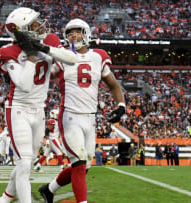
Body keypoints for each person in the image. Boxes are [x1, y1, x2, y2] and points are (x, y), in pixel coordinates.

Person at [0, 7, 77, 203]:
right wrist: (31, 56)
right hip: (18, 109)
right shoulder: (8, 51)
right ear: (22, 31)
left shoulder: (49, 40)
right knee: (23, 163)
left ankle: (4, 200)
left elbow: (71, 60)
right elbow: (24, 85)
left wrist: (43, 49)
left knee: (27, 162)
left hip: (39, 109)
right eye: (34, 24)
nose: (40, 26)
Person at [38, 18, 125, 203]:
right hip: (70, 116)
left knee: (84, 167)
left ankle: (49, 189)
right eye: (70, 33)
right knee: (78, 162)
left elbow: (113, 85)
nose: (73, 36)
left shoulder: (98, 56)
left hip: (90, 118)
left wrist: (121, 106)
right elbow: (42, 76)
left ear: (86, 33)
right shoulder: (62, 58)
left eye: (77, 32)